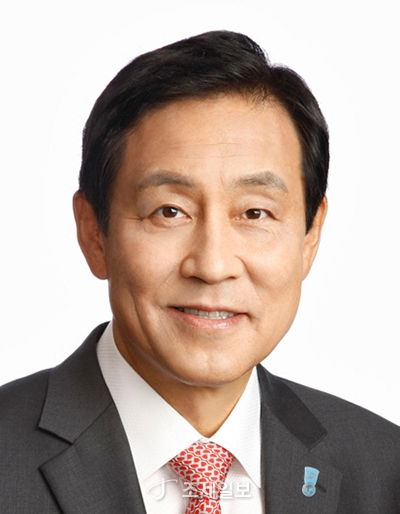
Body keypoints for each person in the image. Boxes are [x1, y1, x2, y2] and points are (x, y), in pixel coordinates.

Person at [1, 30, 399, 514]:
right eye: (169, 211)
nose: (213, 266)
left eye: (255, 213)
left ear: (309, 237)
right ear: (93, 232)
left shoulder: (385, 471)